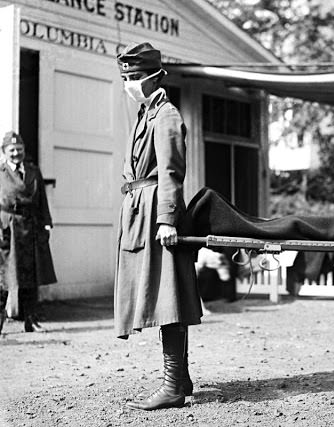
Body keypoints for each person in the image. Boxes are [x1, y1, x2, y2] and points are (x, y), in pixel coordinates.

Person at [114, 42, 202, 410]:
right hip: (140, 212)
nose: (129, 84)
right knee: (161, 296)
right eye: (125, 78)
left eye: (134, 77)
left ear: (153, 77)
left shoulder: (165, 115)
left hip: (156, 215)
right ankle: (180, 379)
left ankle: (172, 387)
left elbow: (170, 172)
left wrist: (167, 219)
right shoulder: (145, 113)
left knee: (168, 299)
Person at [0, 131, 56, 334]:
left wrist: (46, 223)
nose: (16, 154)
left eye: (19, 150)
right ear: (4, 152)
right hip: (8, 229)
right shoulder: (1, 172)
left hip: (31, 228)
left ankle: (30, 321)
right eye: (12, 150)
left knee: (31, 277)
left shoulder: (33, 171)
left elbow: (42, 201)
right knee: (4, 277)